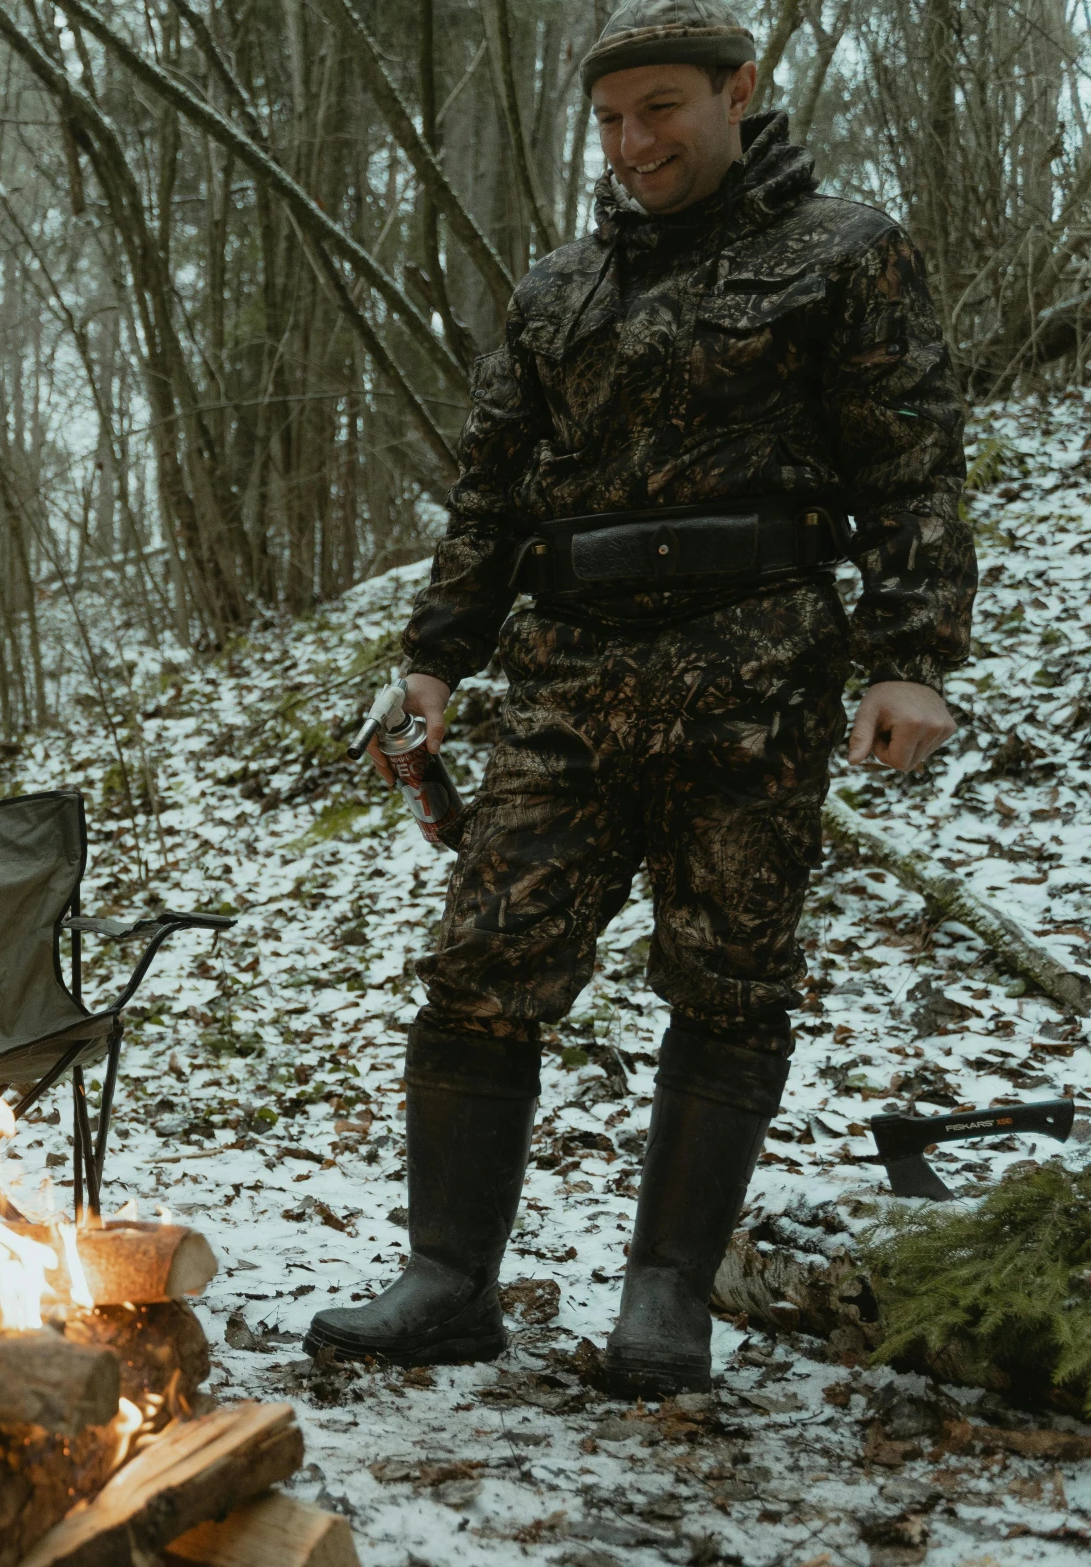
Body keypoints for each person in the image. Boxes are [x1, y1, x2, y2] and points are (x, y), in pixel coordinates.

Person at [307, 0, 972, 1394]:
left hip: (755, 673)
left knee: (728, 981)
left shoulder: (843, 252)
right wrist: (435, 656)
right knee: (482, 965)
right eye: (610, 120)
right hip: (569, 677)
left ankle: (664, 1297)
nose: (632, 142)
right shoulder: (560, 289)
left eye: (661, 108)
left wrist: (907, 655)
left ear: (739, 90)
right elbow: (490, 487)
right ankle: (446, 1280)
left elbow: (907, 460)